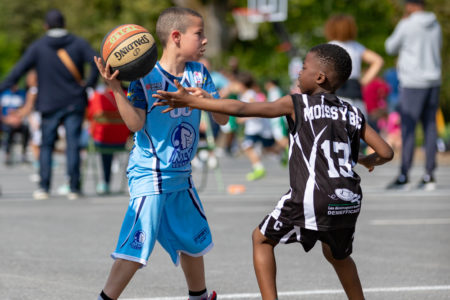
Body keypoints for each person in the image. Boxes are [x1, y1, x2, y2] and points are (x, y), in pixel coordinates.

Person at [153, 43, 394, 300]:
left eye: (303, 68)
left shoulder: (297, 103)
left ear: (320, 77)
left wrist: (192, 101)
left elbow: (243, 109)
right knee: (339, 256)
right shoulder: (352, 112)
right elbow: (387, 152)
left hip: (312, 197)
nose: (298, 73)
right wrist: (368, 160)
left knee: (261, 239)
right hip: (348, 200)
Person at [93, 7, 228, 300]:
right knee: (136, 245)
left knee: (191, 240)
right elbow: (135, 124)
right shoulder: (144, 77)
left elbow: (223, 119)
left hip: (181, 176)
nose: (205, 40)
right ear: (177, 37)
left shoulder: (199, 73)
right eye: (199, 34)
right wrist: (115, 88)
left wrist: (207, 101)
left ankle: (200, 296)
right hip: (150, 174)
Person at [0, 9, 99, 200]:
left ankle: (44, 187)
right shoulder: (78, 43)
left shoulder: (38, 46)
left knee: (46, 145)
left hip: (49, 102)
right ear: (64, 24)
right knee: (72, 144)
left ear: (46, 26)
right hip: (74, 100)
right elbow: (97, 62)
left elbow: (18, 71)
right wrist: (89, 84)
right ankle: (74, 187)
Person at [385, 0, 442, 190]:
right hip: (433, 80)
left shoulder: (407, 24)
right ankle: (429, 175)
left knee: (408, 127)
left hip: (412, 82)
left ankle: (404, 174)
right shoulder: (436, 24)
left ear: (410, 5)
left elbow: (390, 47)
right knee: (430, 127)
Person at [324, 14, 384, 116]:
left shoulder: (329, 46)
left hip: (336, 91)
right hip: (355, 90)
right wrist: (363, 81)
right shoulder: (356, 47)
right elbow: (378, 61)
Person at [87, 84, 131, 194]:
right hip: (122, 140)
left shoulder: (98, 96)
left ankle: (105, 182)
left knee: (101, 142)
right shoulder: (127, 96)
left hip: (102, 139)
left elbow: (91, 116)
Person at [235, 72, 275, 181]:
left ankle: (259, 168)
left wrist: (243, 118)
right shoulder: (244, 94)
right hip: (254, 127)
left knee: (247, 147)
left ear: (242, 84)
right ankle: (282, 154)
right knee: (268, 149)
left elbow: (256, 110)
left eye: (236, 84)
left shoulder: (250, 94)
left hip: (257, 126)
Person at [0, 83, 30, 165]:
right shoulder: (3, 94)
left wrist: (19, 118)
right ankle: (7, 155)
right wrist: (6, 119)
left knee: (26, 130)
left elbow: (24, 108)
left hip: (18, 120)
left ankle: (23, 154)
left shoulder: (21, 94)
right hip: (6, 121)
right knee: (8, 131)